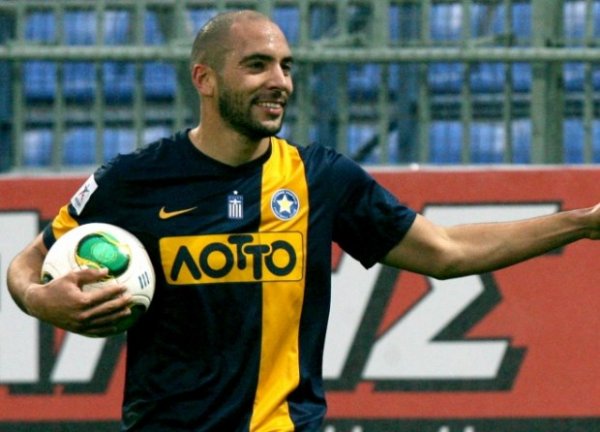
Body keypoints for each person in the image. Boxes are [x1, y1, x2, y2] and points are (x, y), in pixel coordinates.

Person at [6, 9, 600, 432]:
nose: (280, 82)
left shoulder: (320, 178)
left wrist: (580, 223)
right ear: (204, 80)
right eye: (257, 66)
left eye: (286, 67)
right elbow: (28, 263)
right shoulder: (134, 180)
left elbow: (446, 252)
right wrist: (39, 299)